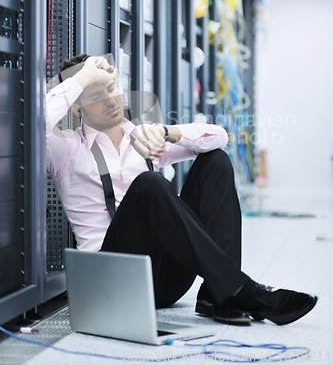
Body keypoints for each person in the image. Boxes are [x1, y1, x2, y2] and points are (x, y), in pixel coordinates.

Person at [46, 53, 317, 326]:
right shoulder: (67, 150)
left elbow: (219, 136)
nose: (110, 100)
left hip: (166, 282)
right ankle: (243, 291)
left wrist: (168, 132)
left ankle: (219, 296)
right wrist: (83, 78)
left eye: (111, 88)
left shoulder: (144, 137)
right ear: (77, 109)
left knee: (216, 161)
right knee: (149, 184)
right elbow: (36, 122)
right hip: (114, 279)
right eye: (95, 96)